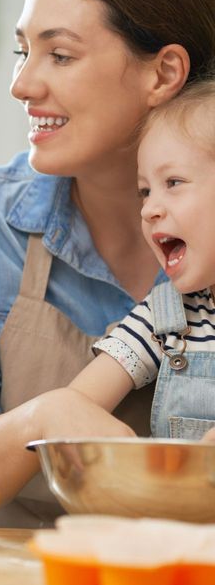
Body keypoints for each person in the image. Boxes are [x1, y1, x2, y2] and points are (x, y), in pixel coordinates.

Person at [0, 0, 215, 526]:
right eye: (24, 50)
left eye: (60, 54)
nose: (22, 84)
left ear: (163, 73)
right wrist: (45, 417)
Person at [59, 79, 215, 441]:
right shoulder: (164, 320)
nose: (149, 210)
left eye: (173, 182)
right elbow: (71, 407)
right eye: (145, 191)